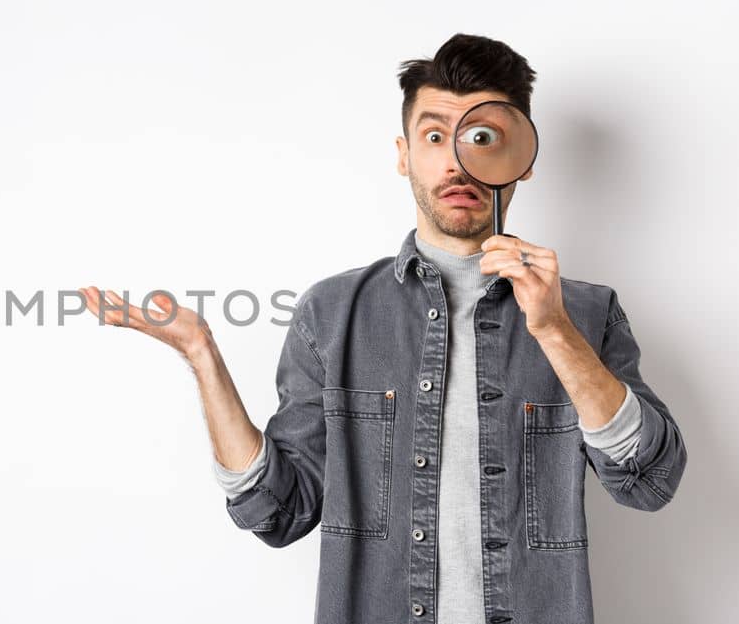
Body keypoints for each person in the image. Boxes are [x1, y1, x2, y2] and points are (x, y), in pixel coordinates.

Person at [78, 33, 687, 624]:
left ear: (521, 159)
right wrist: (203, 356)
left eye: (482, 137)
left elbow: (651, 481)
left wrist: (554, 331)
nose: (457, 161)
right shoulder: (333, 312)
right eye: (434, 136)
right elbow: (280, 512)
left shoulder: (587, 313)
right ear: (403, 156)